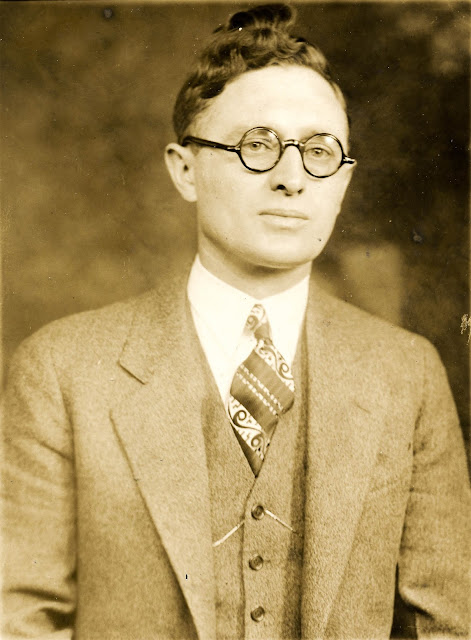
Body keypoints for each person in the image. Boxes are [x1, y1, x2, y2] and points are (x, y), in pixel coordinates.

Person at [2, 4, 469, 639]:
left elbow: (450, 626)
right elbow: (17, 620)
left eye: (320, 151)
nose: (292, 178)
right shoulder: (63, 369)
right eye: (257, 146)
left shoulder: (406, 372)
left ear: (343, 181)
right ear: (185, 170)